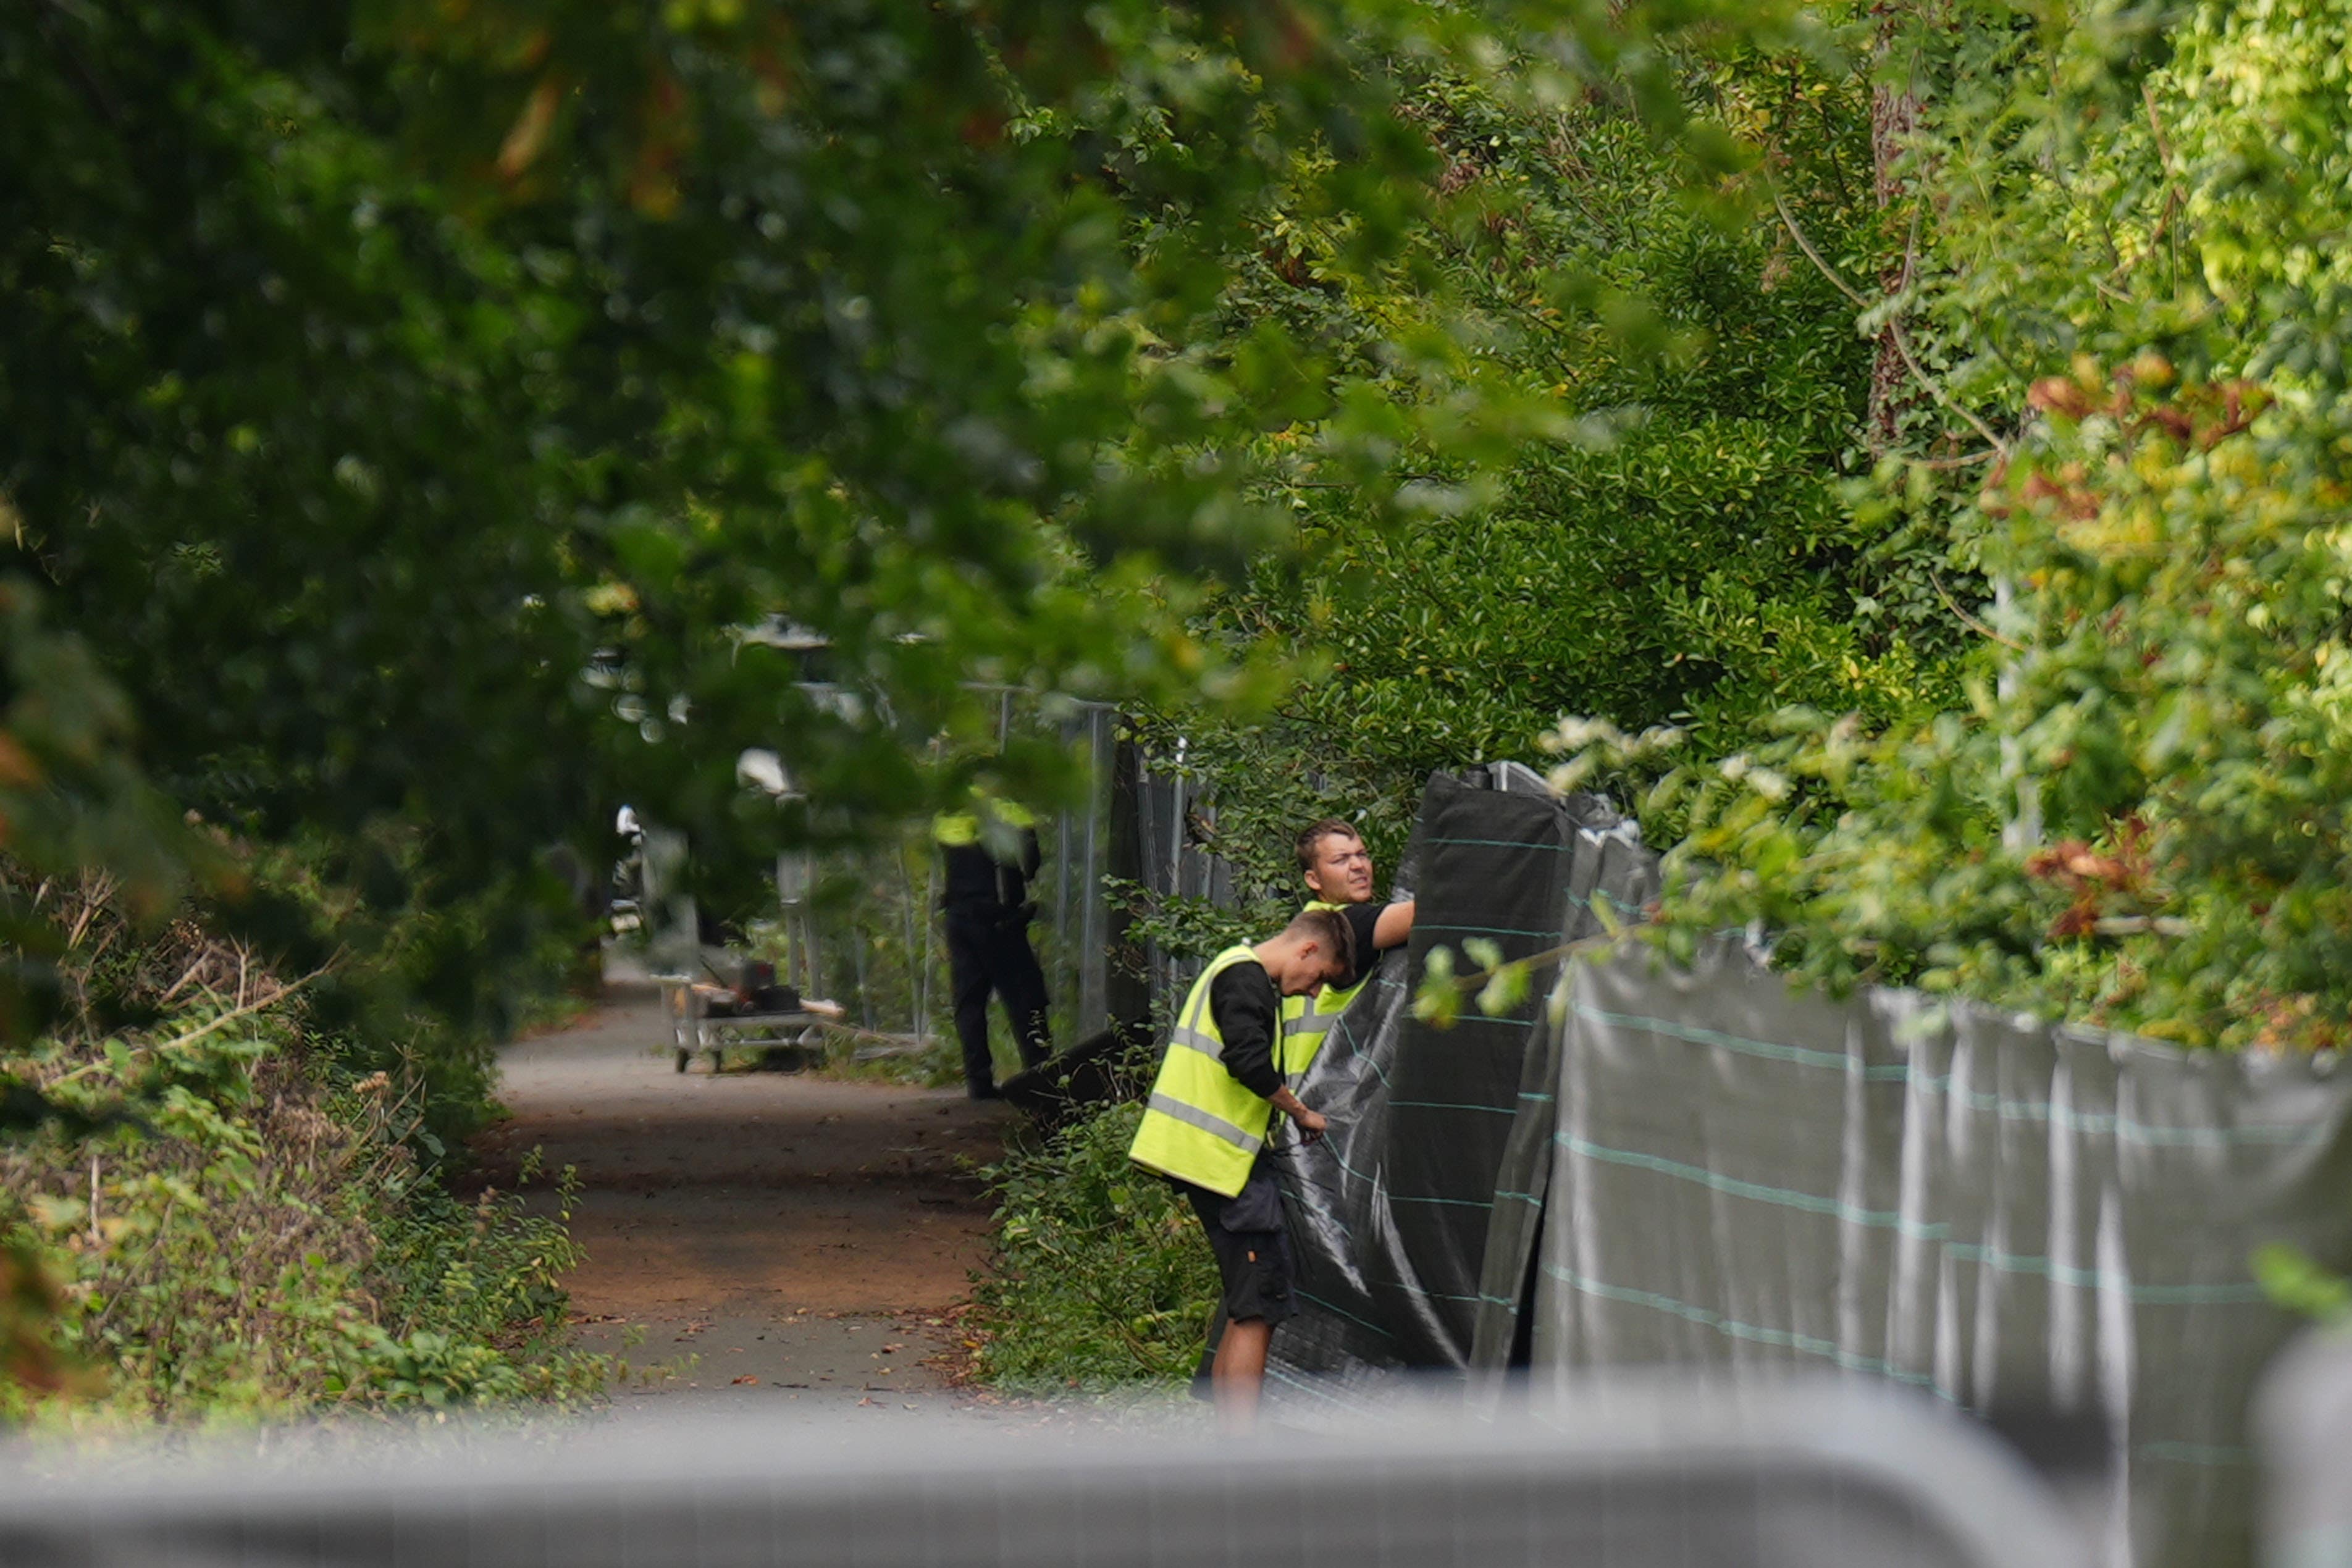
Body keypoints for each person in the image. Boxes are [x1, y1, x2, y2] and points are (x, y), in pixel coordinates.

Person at [1128, 907, 1355, 1427]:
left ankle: (1233, 1444)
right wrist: (1299, 1110)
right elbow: (1247, 1060)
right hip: (1221, 1166)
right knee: (1261, 1305)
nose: (1313, 992)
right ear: (1306, 950)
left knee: (1248, 1304)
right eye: (1319, 977)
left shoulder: (1238, 971)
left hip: (1215, 1163)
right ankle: (1242, 1453)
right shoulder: (1245, 978)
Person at [934, 802, 1052, 1099]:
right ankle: (1041, 1076)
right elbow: (1031, 864)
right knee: (1025, 994)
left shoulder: (950, 812)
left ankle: (979, 1081)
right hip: (999, 920)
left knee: (970, 1000)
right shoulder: (1011, 810)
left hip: (958, 917)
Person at [1280, 818, 1416, 1067]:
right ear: (1313, 880)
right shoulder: (1341, 929)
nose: (1358, 866)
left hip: (1307, 1091)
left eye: (1362, 855)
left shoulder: (1306, 927)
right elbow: (1426, 915)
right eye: (1340, 860)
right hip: (1335, 1095)